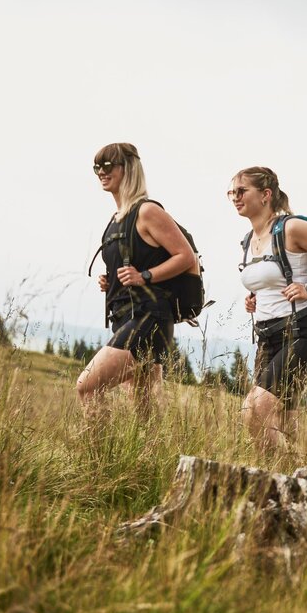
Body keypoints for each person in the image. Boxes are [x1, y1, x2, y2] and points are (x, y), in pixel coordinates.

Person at [232, 165, 307, 451]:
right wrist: (254, 298)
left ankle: (288, 474)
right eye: (232, 192)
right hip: (267, 338)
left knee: (255, 410)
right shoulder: (249, 240)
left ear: (265, 194)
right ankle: (298, 473)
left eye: (242, 191)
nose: (235, 197)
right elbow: (271, 280)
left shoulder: (291, 228)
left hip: (302, 333)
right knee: (283, 424)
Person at [77, 142, 199, 417]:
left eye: (108, 165)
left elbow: (186, 256)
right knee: (143, 409)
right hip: (125, 316)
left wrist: (144, 276)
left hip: (148, 317)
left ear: (129, 168)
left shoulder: (147, 212)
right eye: (97, 167)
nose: (101, 172)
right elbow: (138, 260)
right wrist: (111, 282)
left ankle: (101, 448)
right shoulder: (116, 219)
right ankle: (153, 448)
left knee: (88, 387)